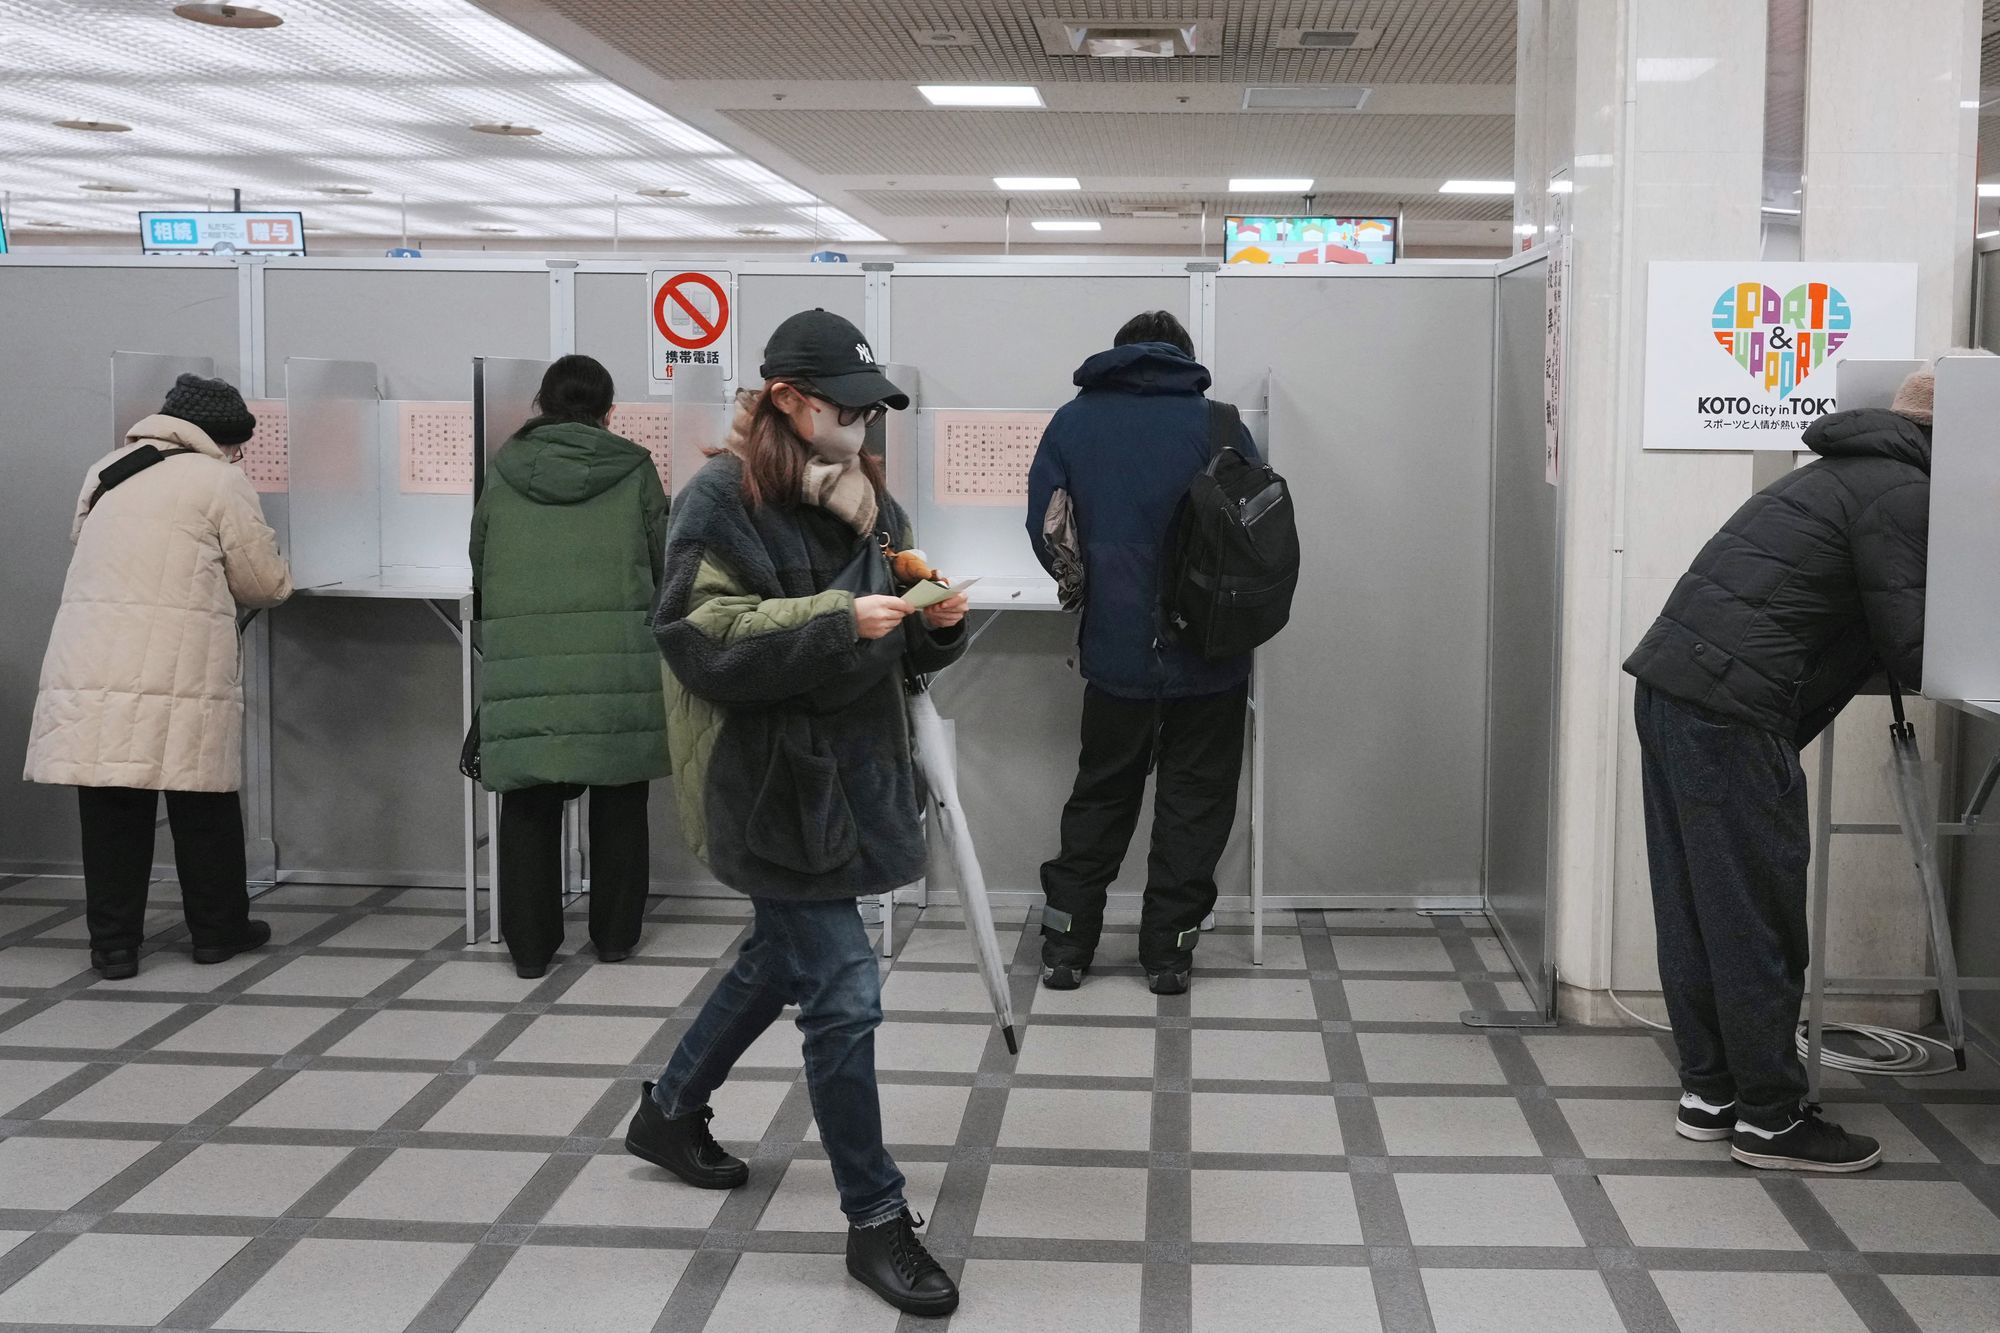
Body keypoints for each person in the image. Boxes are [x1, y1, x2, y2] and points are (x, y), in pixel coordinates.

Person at [627, 310, 970, 1316]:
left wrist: (936, 622)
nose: (860, 423)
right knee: (844, 991)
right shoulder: (718, 499)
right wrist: (831, 619)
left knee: (776, 958)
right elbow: (695, 632)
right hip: (765, 780)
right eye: (844, 405)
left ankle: (670, 1110)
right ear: (784, 397)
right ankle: (875, 1220)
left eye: (871, 407)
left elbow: (896, 645)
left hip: (850, 775)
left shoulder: (875, 510)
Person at [1623, 358, 1951, 1174]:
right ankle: (1770, 1118)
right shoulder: (1902, 494)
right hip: (1731, 711)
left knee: (1699, 905)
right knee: (1755, 913)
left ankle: (1713, 1093)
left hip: (1674, 686)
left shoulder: (1840, 473)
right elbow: (1914, 646)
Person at [24, 374, 292, 980]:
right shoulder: (219, 480)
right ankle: (217, 933)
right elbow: (262, 584)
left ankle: (114, 946)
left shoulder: (108, 469)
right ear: (224, 441)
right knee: (202, 799)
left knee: (112, 803)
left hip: (92, 660)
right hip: (178, 662)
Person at [1024, 310, 1259, 996]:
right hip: (1211, 653)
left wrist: (1094, 590)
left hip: (1116, 651)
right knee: (1196, 801)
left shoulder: (1073, 421)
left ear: (1118, 356)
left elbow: (1048, 532)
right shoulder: (1219, 422)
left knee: (1101, 795)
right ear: (1184, 358)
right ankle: (1169, 953)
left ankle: (1067, 946)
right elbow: (1253, 528)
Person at [470, 355, 669, 980]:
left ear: (542, 403)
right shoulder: (635, 470)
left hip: (526, 657)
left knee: (528, 800)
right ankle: (613, 937)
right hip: (616, 659)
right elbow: (665, 563)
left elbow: (480, 560)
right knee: (619, 795)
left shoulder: (502, 472)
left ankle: (530, 949)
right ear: (609, 410)